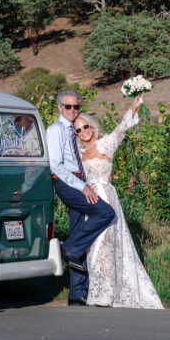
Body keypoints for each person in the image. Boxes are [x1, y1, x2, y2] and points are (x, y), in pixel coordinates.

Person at [73, 95, 163, 309]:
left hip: (105, 197)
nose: (83, 131)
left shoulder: (106, 144)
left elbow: (121, 128)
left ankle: (109, 293)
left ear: (92, 127)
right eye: (78, 129)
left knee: (107, 242)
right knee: (94, 245)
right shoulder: (79, 153)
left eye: (85, 126)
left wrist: (133, 107)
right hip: (89, 200)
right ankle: (98, 292)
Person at [46, 89, 115, 306]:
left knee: (78, 231)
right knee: (105, 212)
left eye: (76, 106)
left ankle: (77, 294)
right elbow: (55, 164)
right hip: (67, 183)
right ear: (59, 107)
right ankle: (67, 248)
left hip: (77, 181)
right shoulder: (56, 130)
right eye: (68, 107)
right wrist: (82, 186)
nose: (73, 110)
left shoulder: (73, 129)